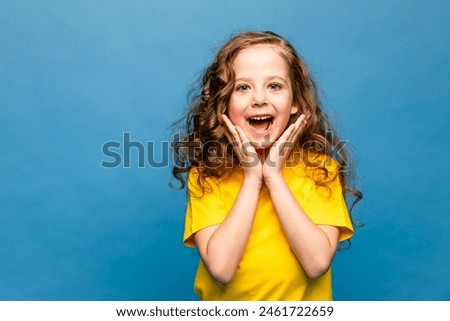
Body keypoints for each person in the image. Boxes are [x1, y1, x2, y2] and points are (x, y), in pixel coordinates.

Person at [172, 31, 362, 300]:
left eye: (274, 86)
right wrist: (252, 178)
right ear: (223, 103)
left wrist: (273, 176)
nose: (259, 99)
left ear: (295, 101)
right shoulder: (207, 175)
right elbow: (221, 269)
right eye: (242, 87)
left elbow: (317, 263)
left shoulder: (320, 171)